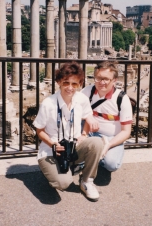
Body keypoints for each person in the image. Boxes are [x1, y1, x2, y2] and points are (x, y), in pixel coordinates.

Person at [33, 62, 104, 202]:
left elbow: (87, 118)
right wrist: (52, 143)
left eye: (74, 84)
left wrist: (84, 135)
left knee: (96, 142)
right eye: (66, 83)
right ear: (59, 82)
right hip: (51, 150)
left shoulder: (82, 99)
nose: (70, 88)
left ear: (80, 84)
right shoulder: (48, 103)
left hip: (74, 145)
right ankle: (53, 171)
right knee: (63, 183)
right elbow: (39, 130)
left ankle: (87, 181)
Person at [81, 61, 133, 172]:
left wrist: (109, 145)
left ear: (114, 80)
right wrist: (83, 134)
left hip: (111, 137)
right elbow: (72, 111)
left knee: (111, 164)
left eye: (106, 79)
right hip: (89, 132)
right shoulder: (87, 91)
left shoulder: (122, 99)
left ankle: (91, 157)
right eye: (98, 78)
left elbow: (126, 131)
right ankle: (90, 156)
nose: (101, 82)